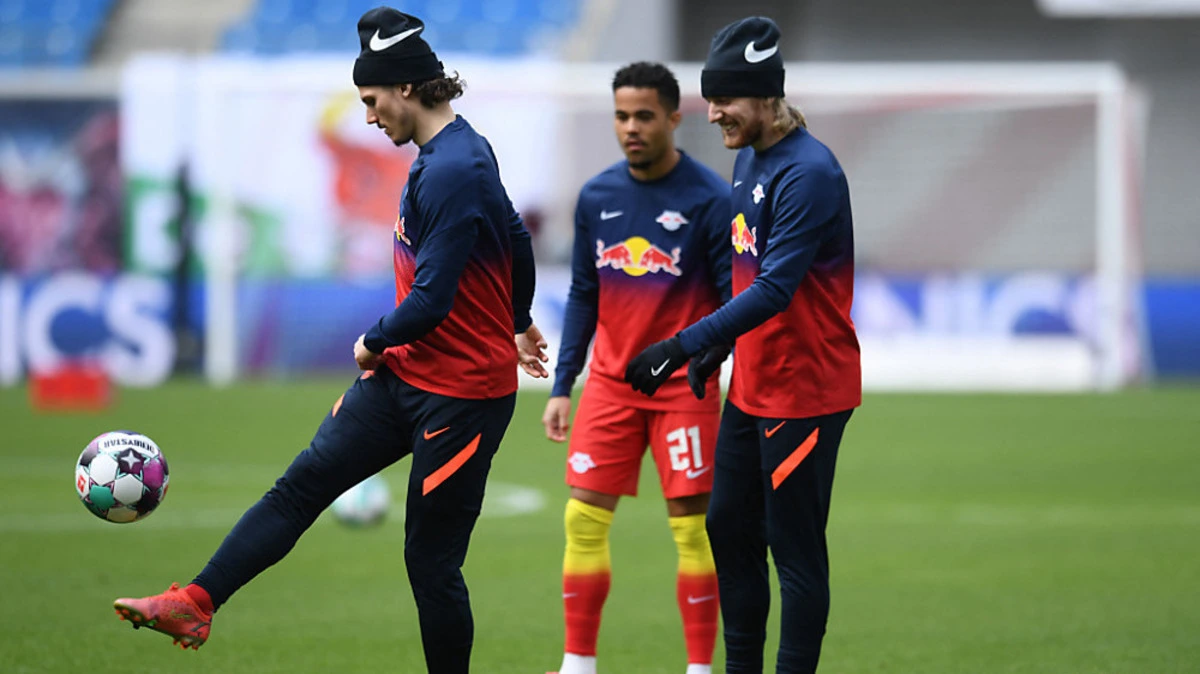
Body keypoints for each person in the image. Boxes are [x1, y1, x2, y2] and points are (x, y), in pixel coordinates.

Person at [112, 8, 549, 674]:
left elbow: (432, 300)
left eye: (372, 100)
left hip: (462, 398)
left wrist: (373, 340)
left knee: (431, 562)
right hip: (407, 376)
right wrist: (517, 317)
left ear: (406, 87)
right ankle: (194, 602)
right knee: (301, 486)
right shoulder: (459, 152)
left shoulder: (453, 167)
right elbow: (514, 236)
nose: (368, 117)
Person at [623, 16, 861, 674]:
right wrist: (720, 348)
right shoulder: (749, 157)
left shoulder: (809, 173)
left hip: (806, 390)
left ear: (764, 97)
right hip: (754, 384)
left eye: (724, 98)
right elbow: (747, 273)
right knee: (727, 529)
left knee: (794, 549)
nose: (712, 113)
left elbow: (777, 288)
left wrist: (680, 344)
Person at [542, 62, 732, 674]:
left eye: (644, 116)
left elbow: (734, 301)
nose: (631, 127)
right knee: (582, 519)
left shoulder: (711, 199)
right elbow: (583, 293)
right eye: (622, 116)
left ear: (674, 118)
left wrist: (708, 365)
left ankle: (700, 669)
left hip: (683, 390)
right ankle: (578, 665)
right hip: (609, 386)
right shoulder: (596, 196)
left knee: (693, 530)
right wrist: (563, 385)